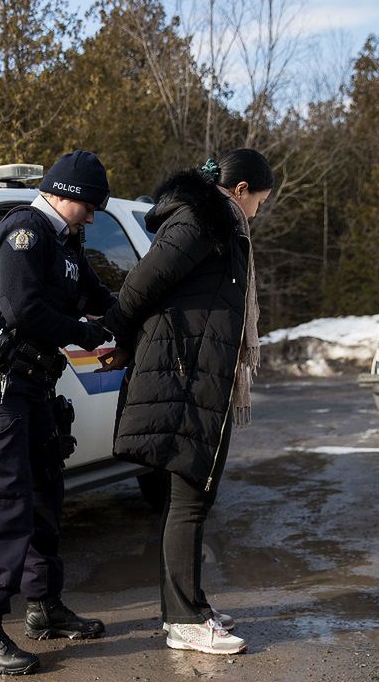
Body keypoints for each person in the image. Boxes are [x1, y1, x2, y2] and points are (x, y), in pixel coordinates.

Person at [97, 148, 275, 655]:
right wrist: (118, 336)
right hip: (182, 372)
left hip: (198, 372)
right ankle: (183, 619)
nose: (259, 211)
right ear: (239, 191)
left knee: (195, 495)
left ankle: (191, 606)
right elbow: (143, 281)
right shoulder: (204, 218)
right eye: (259, 201)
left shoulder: (216, 222)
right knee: (188, 497)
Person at [0, 150, 117, 675]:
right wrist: (85, 334)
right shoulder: (26, 230)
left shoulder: (66, 242)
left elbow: (95, 295)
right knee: (3, 504)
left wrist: (131, 317)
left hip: (33, 387)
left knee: (45, 492)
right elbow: (22, 310)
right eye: (88, 206)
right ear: (65, 193)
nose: (91, 217)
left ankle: (43, 606)